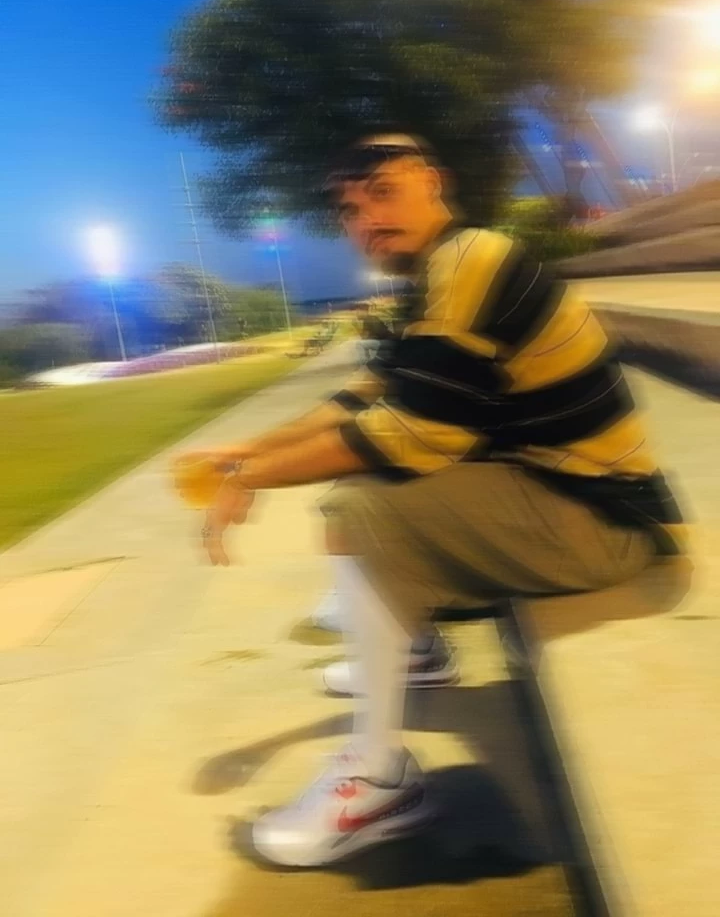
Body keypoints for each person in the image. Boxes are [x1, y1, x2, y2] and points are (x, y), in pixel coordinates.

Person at [174, 133, 684, 868]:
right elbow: (365, 397)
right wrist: (246, 453)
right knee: (361, 488)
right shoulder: (439, 274)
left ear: (432, 182)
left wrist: (251, 480)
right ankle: (413, 648)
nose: (367, 221)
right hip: (566, 492)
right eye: (350, 210)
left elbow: (412, 435)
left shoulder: (473, 261)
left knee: (363, 508)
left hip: (607, 520)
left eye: (383, 192)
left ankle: (381, 781)